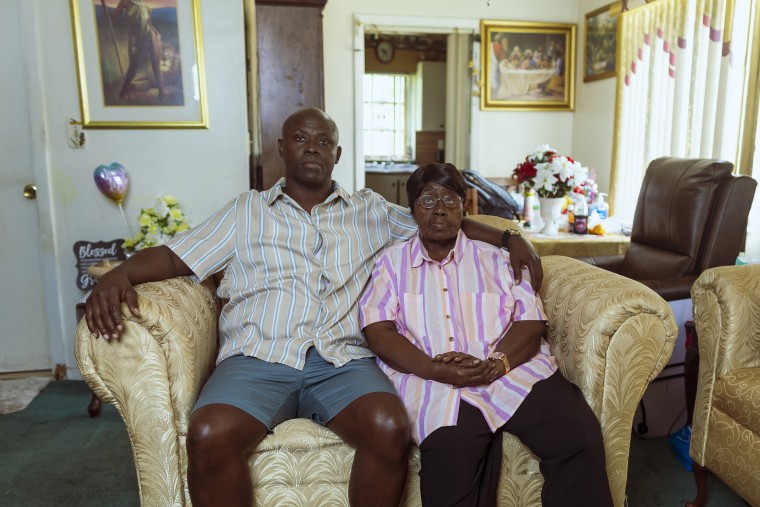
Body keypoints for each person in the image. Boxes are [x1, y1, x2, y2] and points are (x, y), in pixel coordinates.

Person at [84, 108, 542, 507]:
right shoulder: (246, 211)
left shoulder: (372, 211)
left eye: (324, 140)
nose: (312, 147)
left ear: (337, 155)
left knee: (387, 425)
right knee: (209, 432)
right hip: (258, 357)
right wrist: (119, 275)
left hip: (344, 361)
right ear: (281, 147)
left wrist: (509, 238)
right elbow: (174, 256)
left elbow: (442, 219)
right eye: (301, 138)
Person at [359, 163, 613, 507]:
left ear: (465, 208)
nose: (439, 210)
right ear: (412, 210)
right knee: (450, 456)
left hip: (512, 371)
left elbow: (530, 321)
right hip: (434, 381)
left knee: (579, 436)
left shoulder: (498, 259)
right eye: (428, 200)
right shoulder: (392, 263)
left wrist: (498, 362)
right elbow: (377, 329)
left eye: (450, 200)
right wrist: (433, 369)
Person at [110, 0, 164, 100]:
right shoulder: (125, 2)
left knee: (155, 65)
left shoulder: (147, 8)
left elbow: (149, 24)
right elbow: (113, 17)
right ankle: (122, 93)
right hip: (136, 39)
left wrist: (157, 34)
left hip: (151, 37)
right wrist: (107, 14)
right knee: (133, 67)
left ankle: (162, 94)